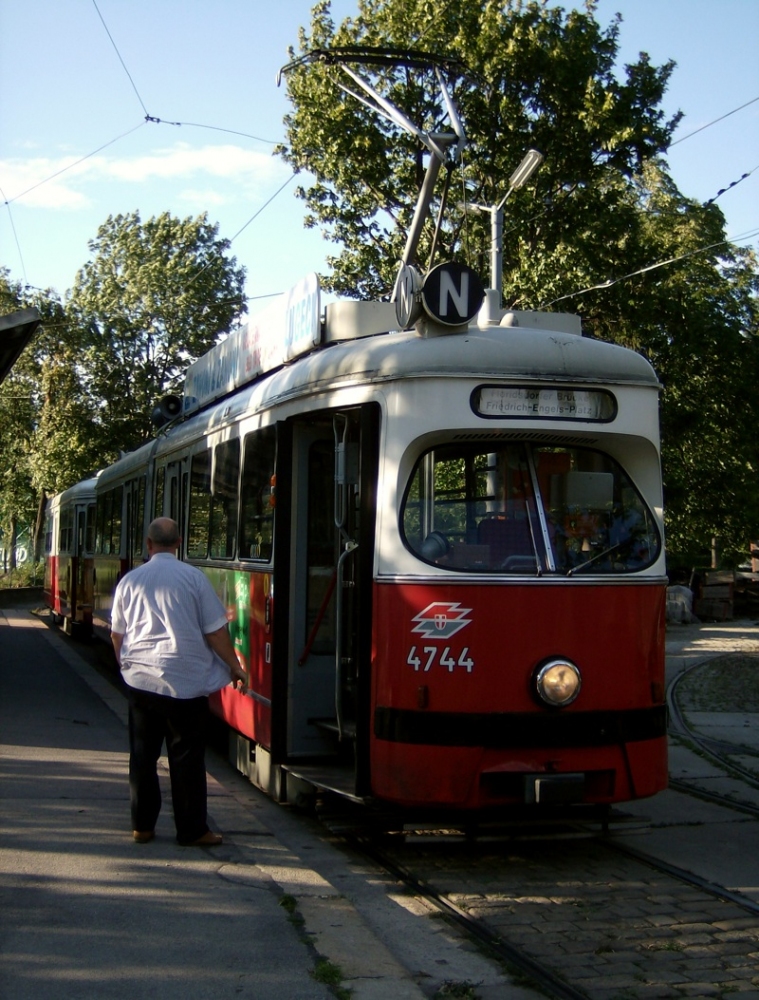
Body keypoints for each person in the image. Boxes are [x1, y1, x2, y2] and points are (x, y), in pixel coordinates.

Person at [110, 517, 248, 846]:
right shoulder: (194, 579)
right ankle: (191, 830)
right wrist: (235, 666)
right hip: (186, 683)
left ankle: (142, 826)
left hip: (142, 680)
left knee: (142, 755)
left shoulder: (131, 581)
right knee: (186, 757)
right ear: (179, 542)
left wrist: (124, 665)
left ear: (148, 544)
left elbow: (118, 634)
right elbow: (215, 631)